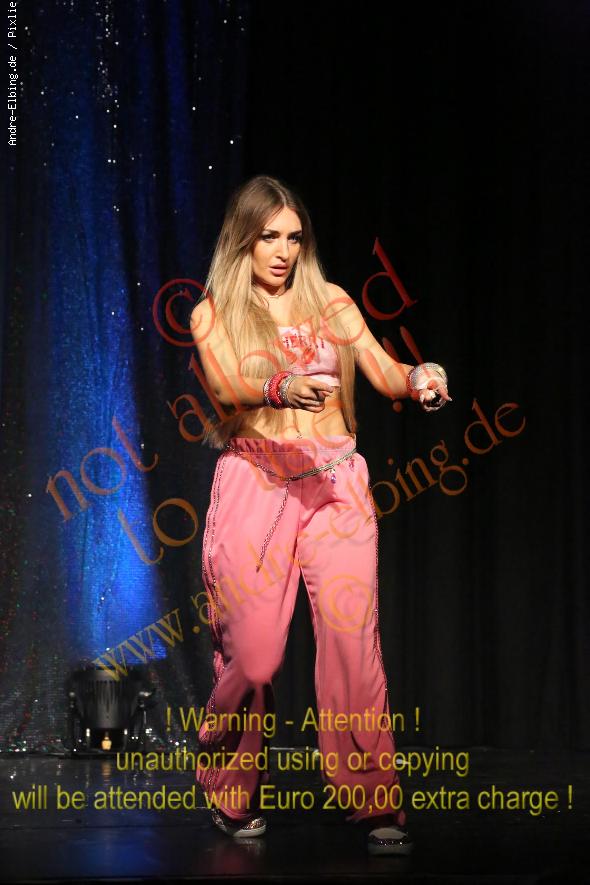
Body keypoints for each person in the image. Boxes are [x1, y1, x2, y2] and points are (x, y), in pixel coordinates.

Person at [189, 174, 451, 854]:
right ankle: (227, 783)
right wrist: (280, 384)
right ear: (242, 240)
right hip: (257, 481)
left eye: (294, 238)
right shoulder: (213, 313)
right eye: (268, 237)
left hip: (335, 486)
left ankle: (374, 800)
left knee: (351, 642)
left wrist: (421, 378)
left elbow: (386, 372)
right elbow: (225, 386)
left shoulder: (332, 302)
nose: (283, 251)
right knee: (254, 657)